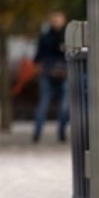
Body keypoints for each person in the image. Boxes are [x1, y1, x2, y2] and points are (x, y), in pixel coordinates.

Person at [32, 10, 69, 143]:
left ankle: (61, 133)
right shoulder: (45, 37)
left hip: (64, 74)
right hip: (48, 74)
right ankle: (37, 133)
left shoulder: (67, 37)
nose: (56, 23)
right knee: (44, 104)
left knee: (64, 106)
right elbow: (38, 57)